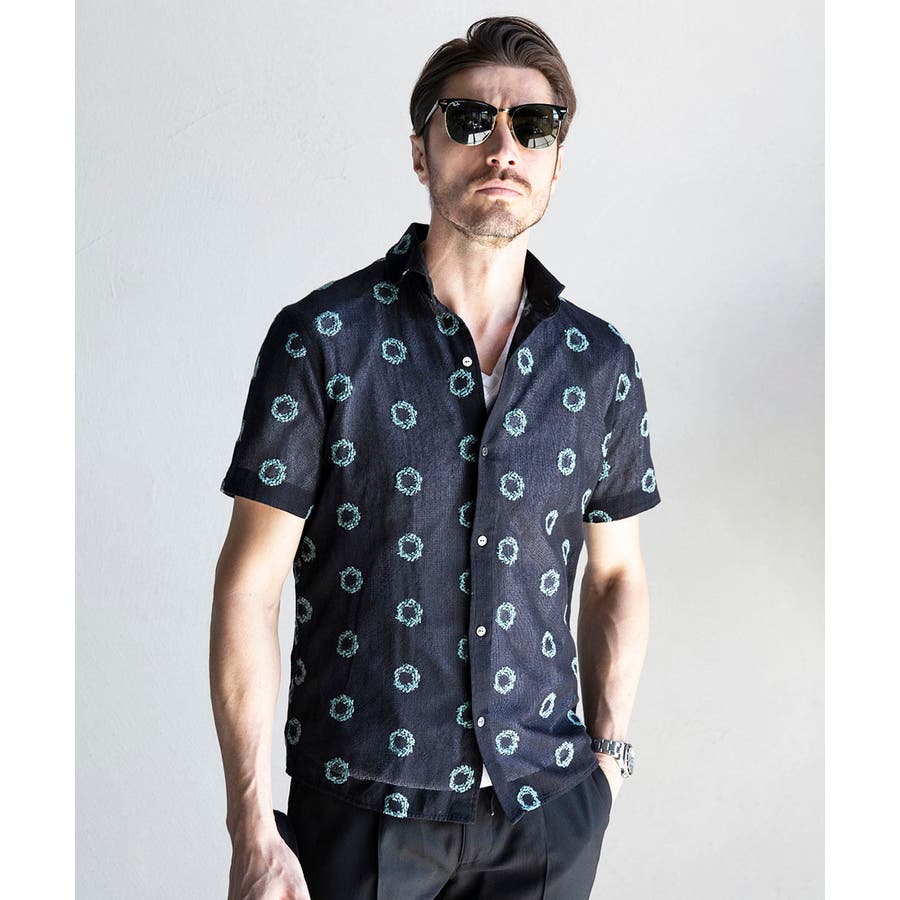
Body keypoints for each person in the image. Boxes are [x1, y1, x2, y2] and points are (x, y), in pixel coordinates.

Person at [210, 15, 661, 900]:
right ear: (421, 153)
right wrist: (252, 825)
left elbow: (617, 576)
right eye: (470, 120)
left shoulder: (599, 365)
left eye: (535, 126)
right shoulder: (324, 341)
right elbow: (250, 586)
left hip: (548, 810)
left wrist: (607, 763)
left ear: (556, 164)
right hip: (363, 809)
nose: (504, 147)